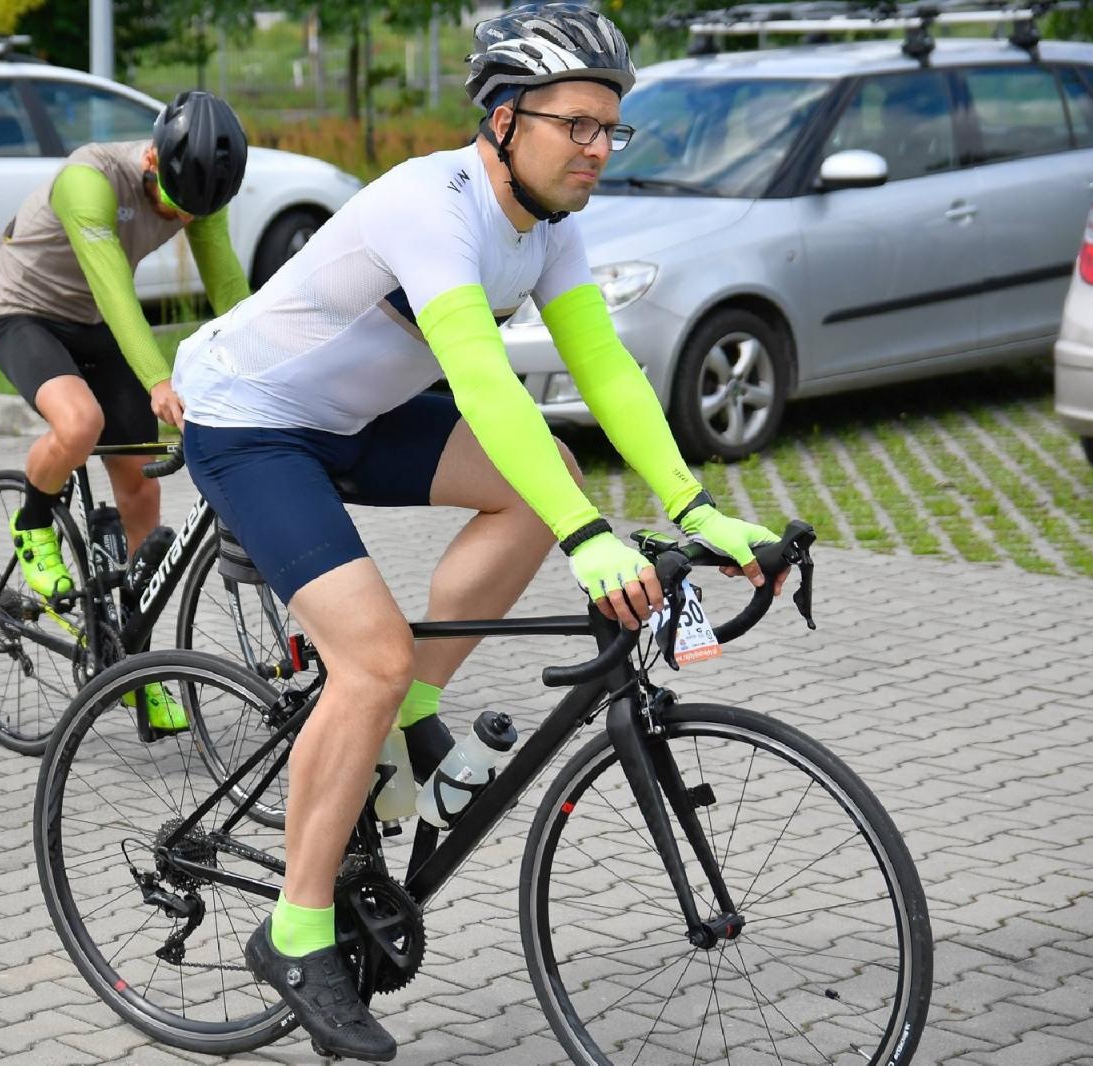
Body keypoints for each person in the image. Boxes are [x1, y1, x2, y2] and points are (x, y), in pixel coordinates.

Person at [168, 4, 787, 1059]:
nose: (598, 149)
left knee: (533, 487)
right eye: (577, 126)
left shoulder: (547, 225)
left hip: (352, 417)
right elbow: (484, 379)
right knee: (365, 654)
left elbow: (603, 370)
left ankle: (407, 720)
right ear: (503, 119)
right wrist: (591, 535)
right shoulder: (430, 204)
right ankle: (296, 926)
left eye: (610, 129)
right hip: (251, 421)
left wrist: (691, 507)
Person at [0, 90, 250, 731]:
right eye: (169, 203)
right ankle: (33, 526)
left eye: (190, 213)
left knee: (141, 482)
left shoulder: (197, 198)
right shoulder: (90, 180)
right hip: (27, 313)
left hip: (94, 323)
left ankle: (132, 660)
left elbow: (229, 289)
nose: (176, 217)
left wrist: (267, 359)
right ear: (152, 159)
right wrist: (158, 379)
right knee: (80, 424)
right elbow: (114, 284)